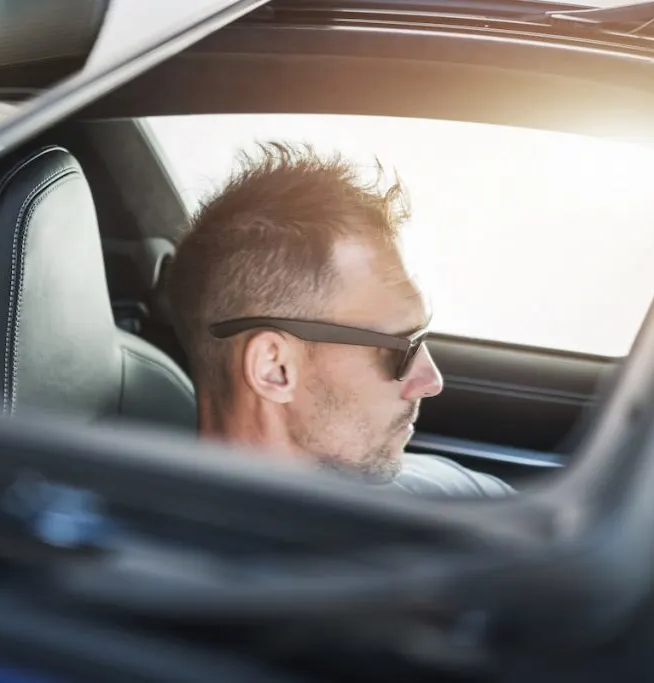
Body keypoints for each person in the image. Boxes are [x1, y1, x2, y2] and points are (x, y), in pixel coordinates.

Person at [164, 142, 513, 497]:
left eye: (421, 340)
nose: (431, 381)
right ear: (274, 368)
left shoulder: (458, 494)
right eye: (401, 350)